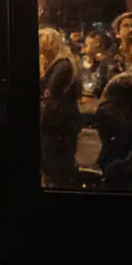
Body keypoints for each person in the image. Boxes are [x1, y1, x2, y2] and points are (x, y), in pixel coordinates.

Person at [39, 28, 81, 188]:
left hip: (60, 124)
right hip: (55, 123)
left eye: (43, 40)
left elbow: (51, 95)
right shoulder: (54, 64)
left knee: (58, 167)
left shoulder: (62, 65)